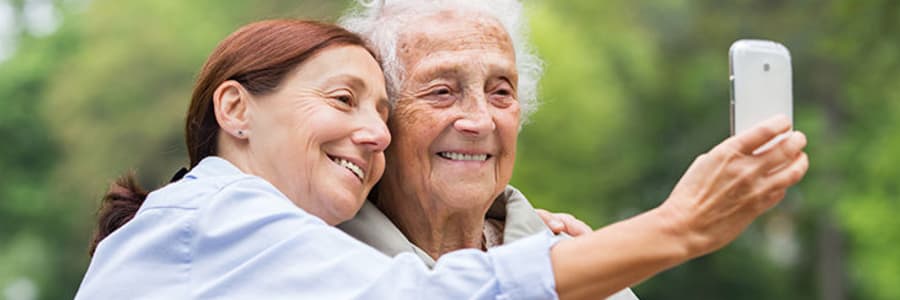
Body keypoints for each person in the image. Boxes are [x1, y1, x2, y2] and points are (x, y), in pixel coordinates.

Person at [76, 18, 809, 300]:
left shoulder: (559, 258)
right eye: (439, 90)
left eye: (501, 90)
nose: (373, 133)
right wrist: (677, 228)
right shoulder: (229, 221)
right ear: (235, 110)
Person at [334, 1, 804, 299]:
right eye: (442, 91)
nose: (479, 121)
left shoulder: (584, 267)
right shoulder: (320, 253)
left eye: (501, 92)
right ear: (379, 115)